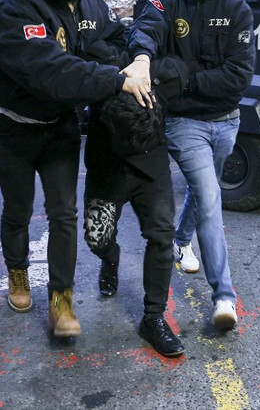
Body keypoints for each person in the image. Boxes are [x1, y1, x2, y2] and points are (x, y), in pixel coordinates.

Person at [0, 0, 152, 338]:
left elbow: (119, 37)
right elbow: (50, 72)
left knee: (64, 214)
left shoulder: (89, 3)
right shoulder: (15, 9)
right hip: (13, 131)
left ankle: (62, 300)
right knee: (18, 210)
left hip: (59, 128)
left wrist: (138, 57)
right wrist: (114, 78)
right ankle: (18, 274)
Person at [126, 0, 256, 330]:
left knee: (205, 193)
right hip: (184, 124)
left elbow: (239, 76)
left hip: (226, 122)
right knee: (210, 198)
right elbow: (145, 29)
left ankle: (182, 242)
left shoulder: (238, 11)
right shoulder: (167, 1)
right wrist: (145, 59)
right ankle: (225, 297)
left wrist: (183, 77)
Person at [83, 51, 189, 358]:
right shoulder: (96, 82)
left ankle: (153, 317)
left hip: (150, 166)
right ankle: (110, 257)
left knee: (161, 236)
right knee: (96, 239)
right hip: (107, 167)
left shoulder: (166, 76)